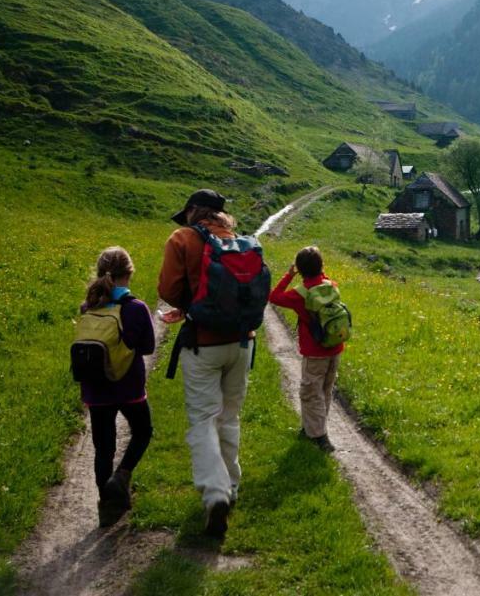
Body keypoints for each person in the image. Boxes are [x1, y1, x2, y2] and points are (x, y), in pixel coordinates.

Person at [157, 189, 253, 538]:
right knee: (229, 417)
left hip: (203, 343)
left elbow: (168, 289)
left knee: (203, 419)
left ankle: (216, 495)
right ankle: (232, 486)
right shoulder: (239, 241)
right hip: (242, 343)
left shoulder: (182, 238)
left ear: (194, 212)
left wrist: (189, 305)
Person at [79, 247, 155, 528]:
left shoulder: (88, 306)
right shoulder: (136, 308)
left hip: (96, 388)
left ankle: (106, 503)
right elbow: (147, 347)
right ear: (129, 273)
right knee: (143, 431)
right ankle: (122, 476)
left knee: (103, 447)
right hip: (129, 387)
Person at [269, 246, 343, 453]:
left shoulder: (300, 294)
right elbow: (321, 278)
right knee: (325, 390)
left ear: (300, 270)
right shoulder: (331, 285)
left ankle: (320, 436)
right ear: (321, 267)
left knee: (311, 393)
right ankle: (313, 428)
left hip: (314, 351)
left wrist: (289, 275)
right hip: (335, 347)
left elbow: (273, 297)